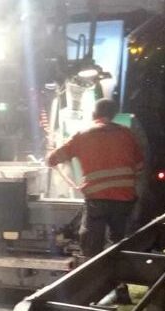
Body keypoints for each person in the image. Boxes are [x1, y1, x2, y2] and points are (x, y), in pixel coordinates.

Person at [47, 97, 145, 260]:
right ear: (114, 114)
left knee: (91, 244)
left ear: (94, 113)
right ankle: (117, 272)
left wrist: (50, 155)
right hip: (124, 198)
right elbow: (140, 165)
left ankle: (93, 271)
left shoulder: (84, 134)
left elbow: (53, 159)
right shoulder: (127, 134)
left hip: (97, 199)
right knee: (119, 242)